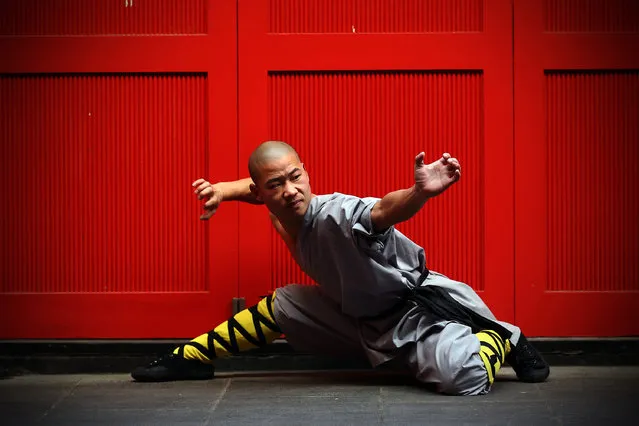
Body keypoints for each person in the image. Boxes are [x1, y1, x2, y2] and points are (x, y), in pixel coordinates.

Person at [131, 141, 549, 395]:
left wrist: (419, 194)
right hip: (358, 317)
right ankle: (191, 358)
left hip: (417, 312)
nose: (290, 190)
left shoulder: (334, 214)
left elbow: (382, 210)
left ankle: (504, 337)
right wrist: (224, 189)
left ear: (307, 173)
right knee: (285, 304)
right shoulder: (279, 210)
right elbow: (260, 185)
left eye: (296, 177)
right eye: (277, 185)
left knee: (463, 377)